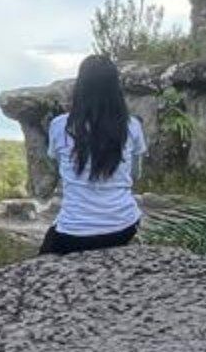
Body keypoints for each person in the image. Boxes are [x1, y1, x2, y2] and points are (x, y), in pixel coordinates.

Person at [40, 54, 147, 255]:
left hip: (73, 232)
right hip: (124, 226)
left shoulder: (60, 126)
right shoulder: (132, 126)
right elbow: (134, 175)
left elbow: (58, 166)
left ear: (80, 87)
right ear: (116, 88)